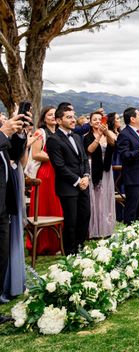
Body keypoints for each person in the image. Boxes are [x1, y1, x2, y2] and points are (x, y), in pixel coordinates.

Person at [46, 106, 91, 255]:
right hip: (68, 186)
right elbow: (59, 166)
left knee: (85, 216)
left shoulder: (77, 137)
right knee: (71, 221)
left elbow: (84, 159)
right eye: (69, 117)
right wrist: (78, 180)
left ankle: (80, 247)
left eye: (73, 116)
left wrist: (86, 176)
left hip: (83, 184)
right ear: (59, 120)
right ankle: (70, 252)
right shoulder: (53, 139)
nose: (73, 119)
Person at [0, 112, 28, 321]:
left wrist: (19, 134)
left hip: (3, 205)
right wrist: (3, 133)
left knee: (1, 256)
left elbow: (14, 156)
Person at [25, 106, 63, 255]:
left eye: (55, 114)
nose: (53, 117)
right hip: (46, 173)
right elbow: (35, 154)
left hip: (58, 171)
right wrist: (56, 157)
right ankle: (44, 243)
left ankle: (57, 242)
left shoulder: (59, 133)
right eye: (49, 114)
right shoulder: (40, 132)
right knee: (46, 205)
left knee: (57, 205)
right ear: (44, 117)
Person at [116, 108, 139, 224]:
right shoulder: (124, 134)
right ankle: (129, 236)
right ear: (132, 119)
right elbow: (124, 155)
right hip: (134, 178)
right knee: (132, 210)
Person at [83, 111, 116, 238]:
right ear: (90, 123)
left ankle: (106, 227)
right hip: (93, 168)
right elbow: (89, 150)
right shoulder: (87, 136)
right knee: (95, 197)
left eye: (99, 119)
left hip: (106, 169)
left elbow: (113, 144)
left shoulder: (107, 134)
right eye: (95, 119)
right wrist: (98, 137)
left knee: (106, 196)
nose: (97, 121)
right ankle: (94, 229)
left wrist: (106, 133)